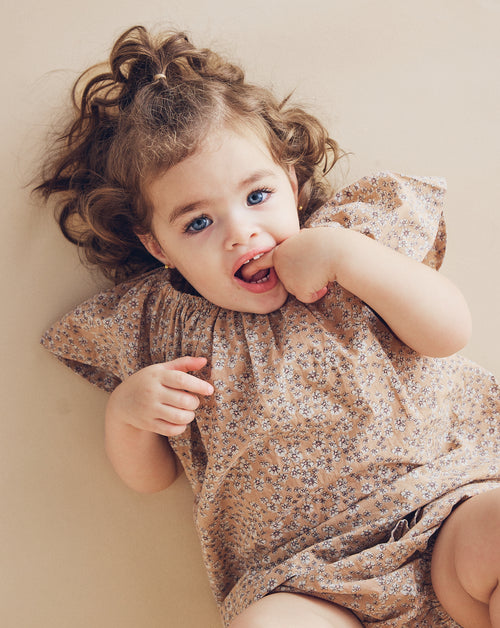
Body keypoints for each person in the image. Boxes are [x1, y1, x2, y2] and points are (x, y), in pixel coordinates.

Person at [36, 25, 500, 628]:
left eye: (257, 197)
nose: (240, 233)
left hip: (447, 510)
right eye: (197, 224)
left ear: (294, 183)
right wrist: (129, 415)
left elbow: (449, 331)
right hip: (302, 579)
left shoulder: (353, 244)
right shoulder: (155, 324)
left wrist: (344, 255)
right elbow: (151, 479)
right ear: (159, 247)